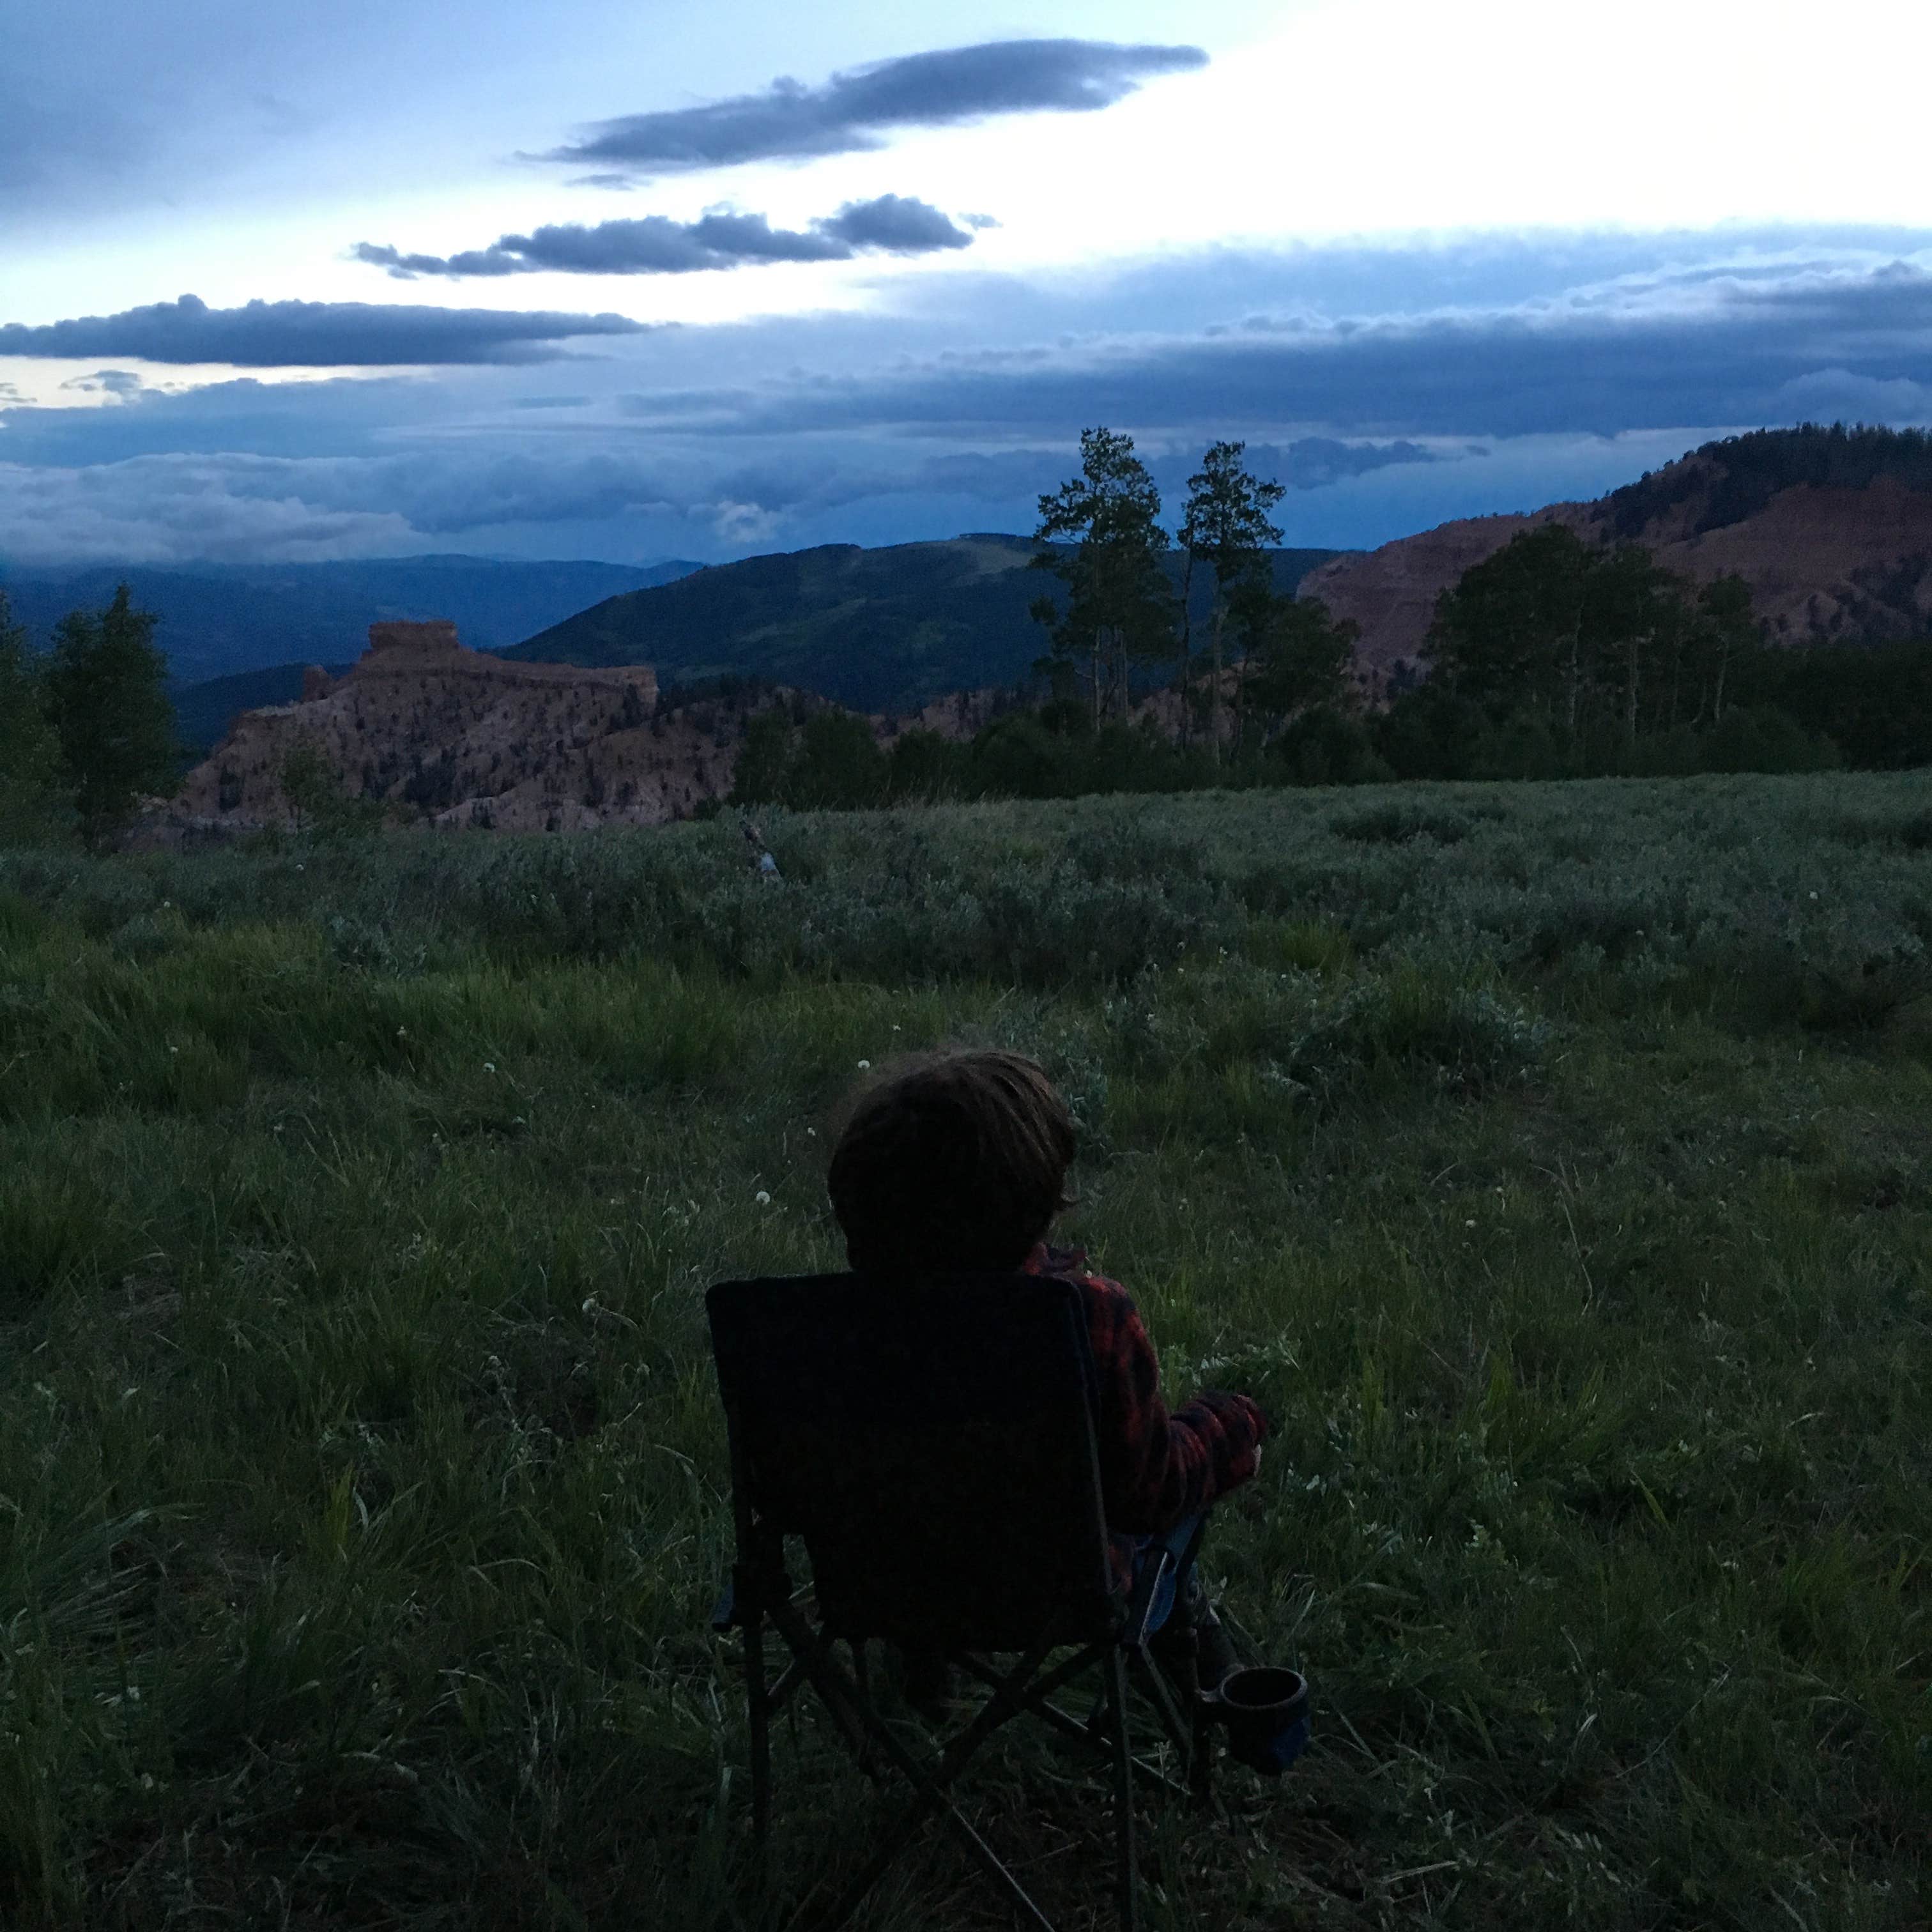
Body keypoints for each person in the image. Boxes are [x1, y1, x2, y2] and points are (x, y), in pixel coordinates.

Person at [825, 1047, 1268, 1694]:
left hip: (883, 1584)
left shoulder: (824, 1331)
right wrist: (1232, 1423)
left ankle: (922, 1669)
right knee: (1168, 1520)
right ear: (1036, 1200)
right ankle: (1207, 1685)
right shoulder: (1088, 1319)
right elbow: (1151, 1494)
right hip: (1063, 1591)